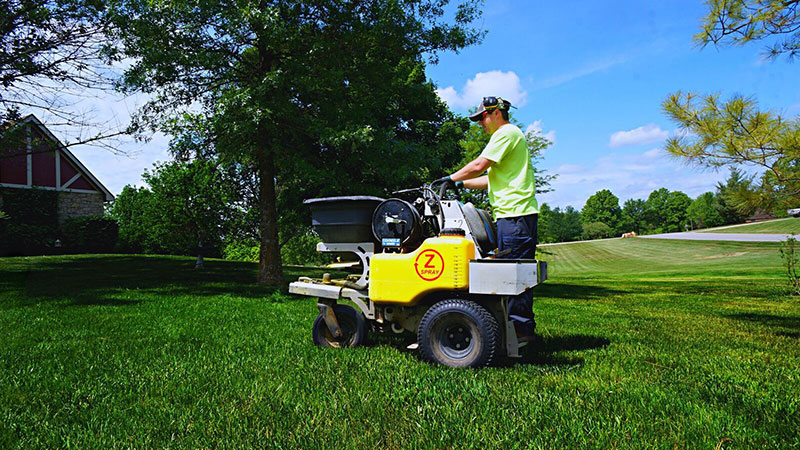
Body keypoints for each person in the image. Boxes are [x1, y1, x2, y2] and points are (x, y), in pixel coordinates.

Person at [437, 96, 539, 338]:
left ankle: (520, 335)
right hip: (512, 218)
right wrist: (460, 185)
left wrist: (450, 178)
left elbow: (479, 164)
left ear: (495, 113)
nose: (480, 124)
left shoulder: (506, 133)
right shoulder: (508, 139)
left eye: (481, 118)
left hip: (516, 217)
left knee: (514, 278)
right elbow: (487, 179)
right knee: (511, 275)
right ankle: (518, 332)